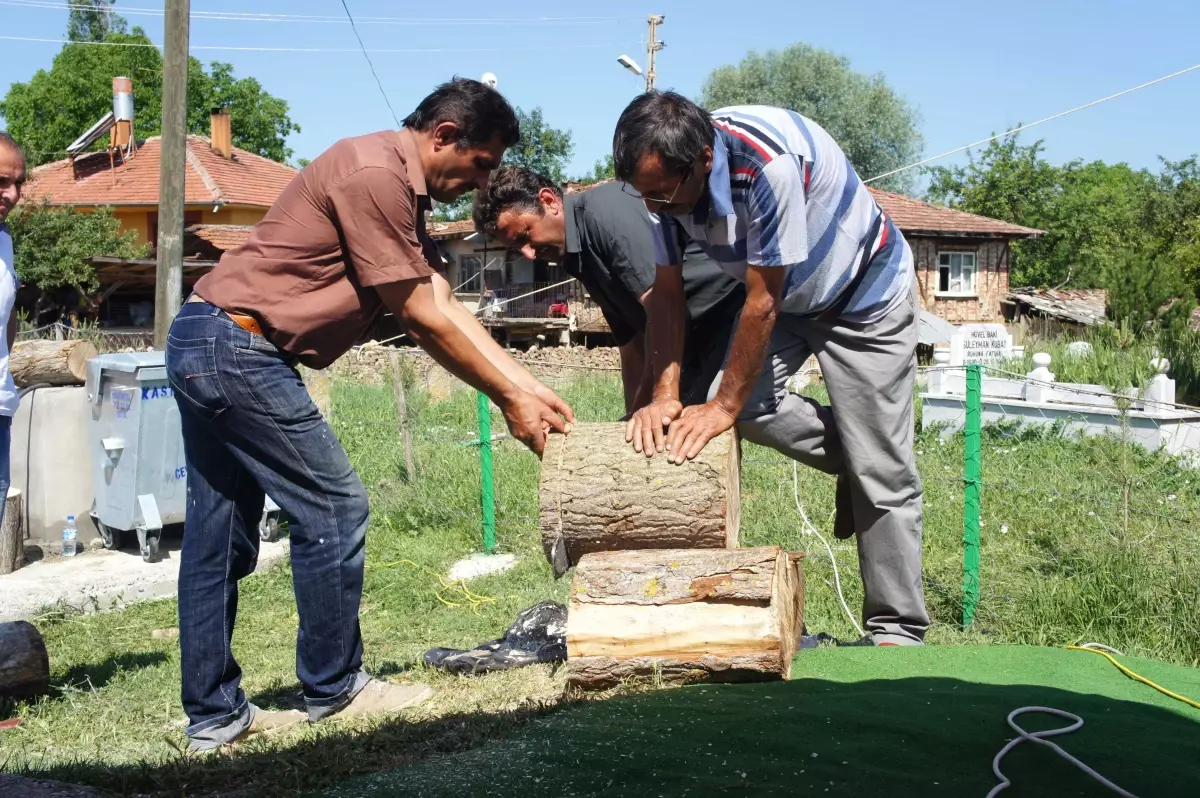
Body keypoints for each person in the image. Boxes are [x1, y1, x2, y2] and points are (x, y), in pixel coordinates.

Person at [167, 79, 575, 753]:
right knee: (333, 509)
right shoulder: (374, 174)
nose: (480, 182)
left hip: (210, 339)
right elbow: (419, 316)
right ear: (443, 135)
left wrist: (526, 386)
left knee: (220, 537)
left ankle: (213, 718)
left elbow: (441, 298)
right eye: (478, 164)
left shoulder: (403, 196)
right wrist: (509, 399)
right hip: (236, 348)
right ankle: (336, 690)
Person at [614, 92, 929, 647]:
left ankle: (897, 631)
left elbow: (761, 304)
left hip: (864, 297)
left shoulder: (767, 166)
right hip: (789, 296)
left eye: (663, 194)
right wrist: (665, 393)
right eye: (645, 196)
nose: (655, 207)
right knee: (752, 410)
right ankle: (865, 456)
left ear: (703, 160)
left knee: (881, 474)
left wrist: (720, 406)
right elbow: (666, 295)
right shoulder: (660, 185)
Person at [473, 166, 744, 415]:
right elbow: (631, 346)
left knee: (750, 413)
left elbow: (665, 310)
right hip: (687, 345)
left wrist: (644, 408)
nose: (528, 254)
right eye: (516, 249)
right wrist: (631, 422)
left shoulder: (603, 212)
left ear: (548, 201)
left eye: (525, 236)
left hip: (732, 317)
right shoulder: (575, 256)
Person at [0, 132, 24, 536]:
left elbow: (8, 319)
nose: (14, 194)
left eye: (19, 182)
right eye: (2, 181)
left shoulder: (5, 241)